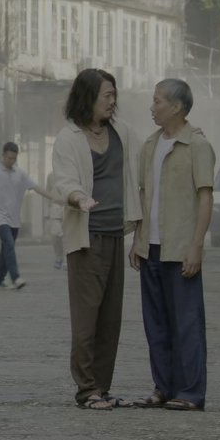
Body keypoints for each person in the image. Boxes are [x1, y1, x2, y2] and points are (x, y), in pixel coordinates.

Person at [51, 69, 143, 411]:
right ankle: (86, 389)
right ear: (87, 97)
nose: (112, 101)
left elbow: (147, 154)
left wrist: (186, 132)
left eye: (114, 95)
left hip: (116, 233)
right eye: (107, 95)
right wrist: (78, 197)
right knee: (86, 318)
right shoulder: (69, 138)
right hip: (85, 238)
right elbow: (64, 180)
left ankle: (102, 388)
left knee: (110, 318)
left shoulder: (123, 133)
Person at [131, 79, 215, 412]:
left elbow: (205, 197)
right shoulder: (150, 145)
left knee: (187, 324)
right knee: (156, 324)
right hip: (149, 248)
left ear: (177, 107)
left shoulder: (197, 145)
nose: (152, 107)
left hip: (180, 249)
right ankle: (163, 387)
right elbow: (143, 196)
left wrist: (197, 246)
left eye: (158, 101)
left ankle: (190, 392)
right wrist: (137, 240)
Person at [0, 142, 56, 290]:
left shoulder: (20, 174)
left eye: (14, 158)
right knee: (9, 244)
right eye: (9, 158)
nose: (11, 161)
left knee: (7, 249)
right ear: (3, 156)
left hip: (14, 219)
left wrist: (55, 198)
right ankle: (16, 277)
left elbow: (36, 188)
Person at [45, 170, 65, 269]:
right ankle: (59, 257)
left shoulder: (71, 173)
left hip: (68, 207)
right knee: (55, 235)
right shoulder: (51, 176)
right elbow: (47, 193)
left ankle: (66, 259)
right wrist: (46, 213)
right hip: (55, 207)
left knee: (66, 235)